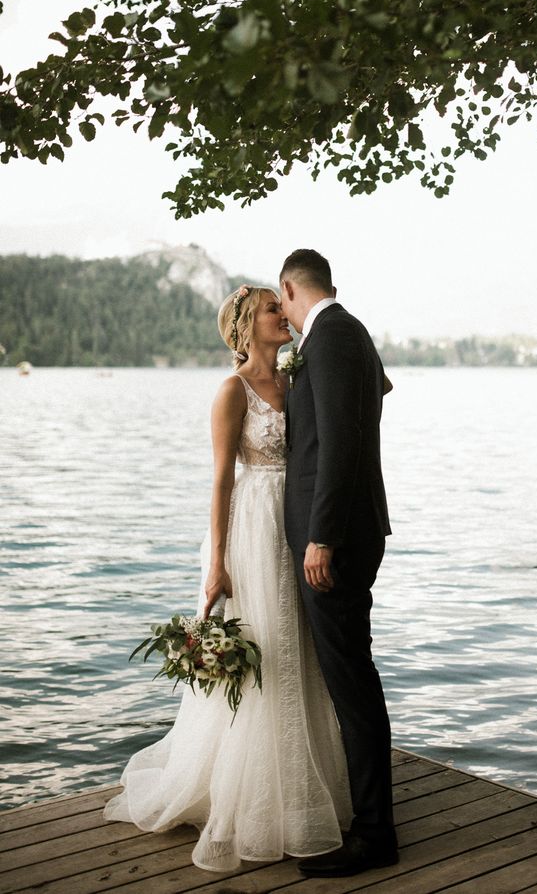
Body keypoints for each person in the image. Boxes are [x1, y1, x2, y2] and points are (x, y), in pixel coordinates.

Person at [103, 285, 352, 871]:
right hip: (251, 531)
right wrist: (216, 563)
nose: (282, 315)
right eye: (273, 309)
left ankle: (303, 793)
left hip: (294, 523)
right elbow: (219, 481)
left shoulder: (296, 379)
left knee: (297, 653)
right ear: (247, 325)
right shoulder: (231, 391)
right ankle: (254, 802)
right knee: (262, 651)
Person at [280, 248, 398, 878]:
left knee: (351, 680)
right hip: (351, 530)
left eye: (283, 306)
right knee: (351, 674)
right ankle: (367, 814)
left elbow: (343, 443)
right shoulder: (347, 334)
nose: (285, 319)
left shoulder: (330, 338)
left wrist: (321, 536)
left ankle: (375, 833)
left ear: (290, 289)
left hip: (338, 540)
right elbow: (376, 392)